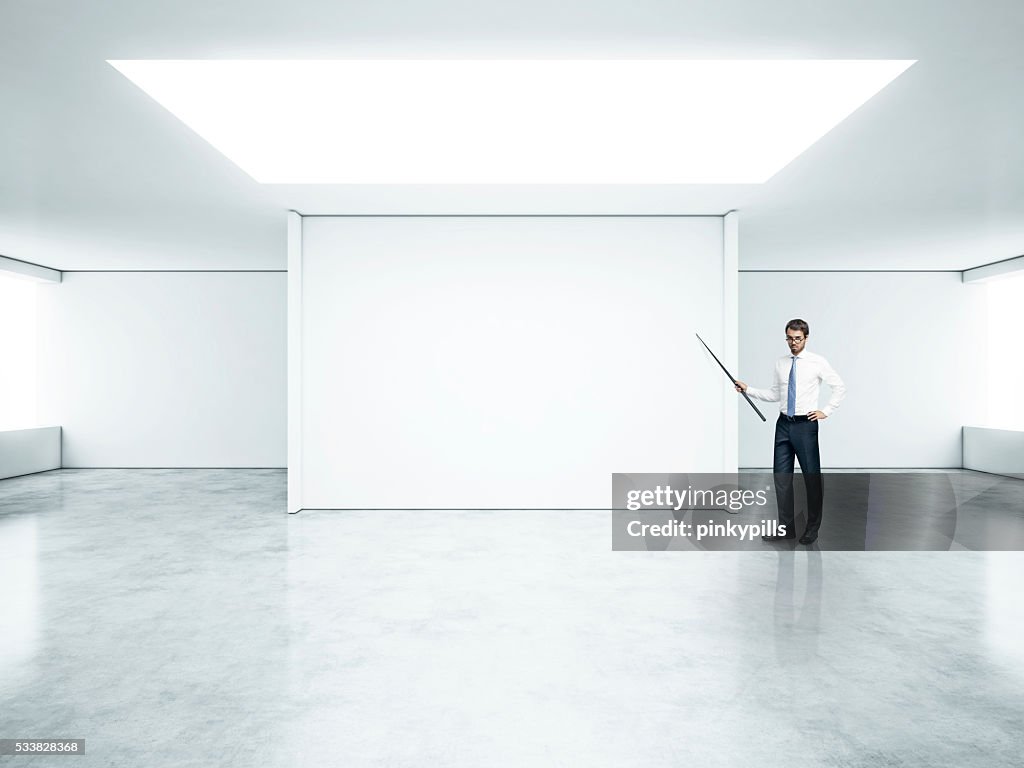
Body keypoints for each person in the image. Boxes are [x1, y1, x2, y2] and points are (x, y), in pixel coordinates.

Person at [734, 319, 846, 545]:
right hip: (783, 425)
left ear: (806, 338)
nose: (793, 343)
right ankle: (786, 528)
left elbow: (839, 387)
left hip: (805, 426)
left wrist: (826, 411)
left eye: (797, 339)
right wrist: (749, 390)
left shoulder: (817, 362)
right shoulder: (781, 363)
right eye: (789, 338)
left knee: (811, 479)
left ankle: (812, 528)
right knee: (781, 479)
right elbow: (775, 394)